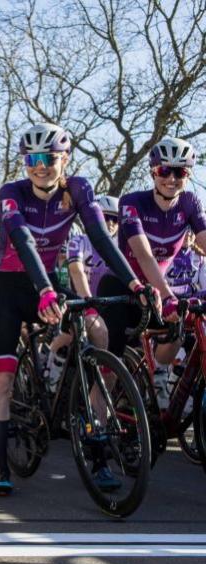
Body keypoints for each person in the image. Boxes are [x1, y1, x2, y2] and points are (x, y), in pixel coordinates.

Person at [0, 123, 144, 496]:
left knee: (92, 336)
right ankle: (0, 465)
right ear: (25, 162)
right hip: (6, 288)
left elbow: (102, 238)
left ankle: (98, 454)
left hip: (47, 283)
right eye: (33, 159)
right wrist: (43, 290)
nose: (41, 166)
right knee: (1, 381)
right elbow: (22, 241)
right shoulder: (12, 192)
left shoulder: (79, 189)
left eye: (50, 158)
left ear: (65, 159)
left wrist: (134, 282)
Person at [98, 136, 206, 409]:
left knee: (180, 329)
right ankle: (97, 418)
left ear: (188, 174)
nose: (171, 178)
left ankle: (156, 377)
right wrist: (168, 295)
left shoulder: (190, 203)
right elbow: (144, 254)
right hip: (122, 284)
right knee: (115, 352)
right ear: (153, 172)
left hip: (157, 288)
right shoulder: (132, 202)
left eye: (179, 172)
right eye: (163, 171)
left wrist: (168, 298)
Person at [45, 196, 120, 390]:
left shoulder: (119, 245)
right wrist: (88, 300)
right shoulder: (79, 241)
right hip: (79, 298)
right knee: (72, 335)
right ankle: (51, 364)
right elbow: (76, 271)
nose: (111, 224)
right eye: (105, 218)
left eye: (115, 219)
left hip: (105, 302)